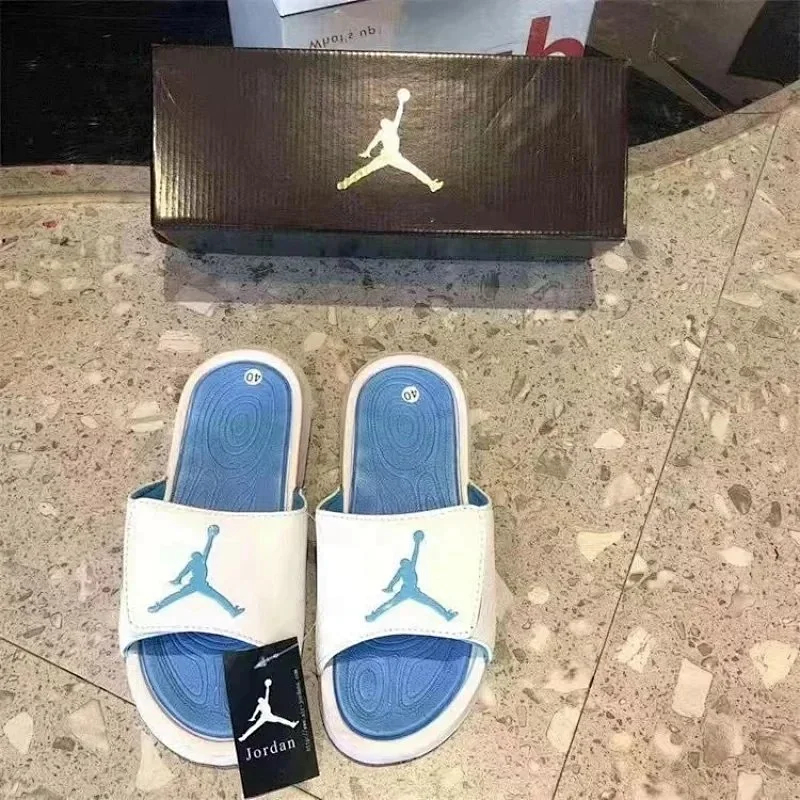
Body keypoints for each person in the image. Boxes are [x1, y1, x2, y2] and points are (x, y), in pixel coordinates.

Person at [337, 88, 444, 193]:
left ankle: (432, 184)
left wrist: (401, 102)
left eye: (386, 122)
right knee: (365, 170)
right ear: (382, 126)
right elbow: (374, 142)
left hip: (395, 156)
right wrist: (367, 151)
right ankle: (345, 183)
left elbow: (399, 114)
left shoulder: (393, 128)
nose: (385, 122)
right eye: (383, 123)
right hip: (384, 156)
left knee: (413, 169)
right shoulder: (381, 133)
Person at [148, 525, 244, 617]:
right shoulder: (200, 561)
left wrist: (177, 579)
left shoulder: (193, 562)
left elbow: (183, 572)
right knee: (218, 597)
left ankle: (159, 606)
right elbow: (207, 549)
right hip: (200, 584)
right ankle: (232, 611)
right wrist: (210, 537)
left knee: (178, 595)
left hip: (196, 584)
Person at [366, 530, 457, 622]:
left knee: (390, 604)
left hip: (410, 591)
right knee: (431, 603)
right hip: (410, 591)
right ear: (404, 564)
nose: (408, 561)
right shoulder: (409, 568)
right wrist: (417, 542)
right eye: (406, 561)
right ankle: (447, 615)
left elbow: (394, 580)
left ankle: (373, 616)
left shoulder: (402, 570)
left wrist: (389, 588)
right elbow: (415, 555)